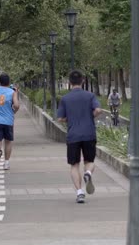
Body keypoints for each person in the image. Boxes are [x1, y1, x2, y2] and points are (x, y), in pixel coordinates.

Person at [57, 70, 102, 204]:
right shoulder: (90, 96)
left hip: (73, 135)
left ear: (70, 83)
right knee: (89, 161)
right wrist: (91, 115)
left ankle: (79, 192)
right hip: (89, 133)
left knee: (74, 165)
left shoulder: (65, 99)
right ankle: (88, 173)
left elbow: (60, 118)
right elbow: (98, 110)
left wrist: (69, 119)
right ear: (82, 81)